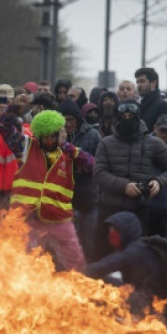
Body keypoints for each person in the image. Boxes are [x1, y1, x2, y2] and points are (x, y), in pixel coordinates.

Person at [91, 101, 167, 260]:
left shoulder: (154, 143)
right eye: (123, 117)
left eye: (130, 117)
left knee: (136, 255)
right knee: (101, 253)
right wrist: (124, 186)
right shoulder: (106, 143)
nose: (127, 119)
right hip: (110, 207)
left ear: (138, 119)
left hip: (139, 208)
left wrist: (159, 182)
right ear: (117, 119)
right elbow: (98, 172)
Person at [8, 110, 94, 270]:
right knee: (24, 264)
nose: (49, 140)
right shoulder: (26, 147)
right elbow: (7, 132)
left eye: (52, 136)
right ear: (38, 135)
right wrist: (9, 110)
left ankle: (79, 291)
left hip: (59, 219)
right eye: (45, 136)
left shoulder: (69, 153)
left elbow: (92, 165)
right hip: (28, 219)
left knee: (76, 263)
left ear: (60, 134)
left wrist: (66, 145)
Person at [60, 98, 101, 256]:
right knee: (66, 247)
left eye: (71, 120)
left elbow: (100, 166)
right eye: (64, 120)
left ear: (77, 119)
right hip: (62, 201)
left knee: (87, 244)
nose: (68, 124)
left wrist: (79, 160)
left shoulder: (92, 135)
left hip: (87, 200)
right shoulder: (51, 137)